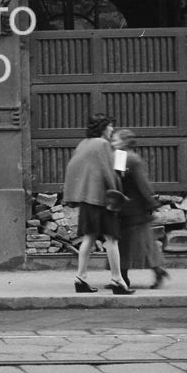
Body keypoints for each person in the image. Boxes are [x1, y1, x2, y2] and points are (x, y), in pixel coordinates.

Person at [62, 112, 133, 294]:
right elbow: (110, 172)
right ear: (103, 127)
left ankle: (81, 278)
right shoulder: (102, 144)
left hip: (87, 200)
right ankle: (117, 280)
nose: (112, 129)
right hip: (102, 199)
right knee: (112, 239)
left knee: (89, 238)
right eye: (110, 126)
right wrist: (119, 184)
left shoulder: (83, 144)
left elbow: (73, 168)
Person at [112, 128, 170, 290]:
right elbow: (117, 181)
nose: (112, 142)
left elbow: (142, 184)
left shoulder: (133, 160)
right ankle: (124, 277)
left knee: (138, 243)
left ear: (124, 142)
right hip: (125, 207)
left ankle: (154, 271)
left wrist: (151, 204)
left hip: (134, 208)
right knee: (130, 243)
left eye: (115, 140)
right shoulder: (121, 157)